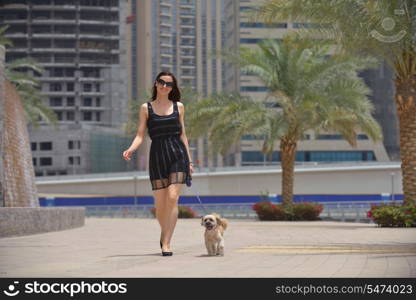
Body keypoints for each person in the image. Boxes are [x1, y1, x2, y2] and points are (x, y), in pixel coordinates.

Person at [122, 72, 194, 256]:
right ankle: (165, 234)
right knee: (160, 204)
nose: (164, 86)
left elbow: (183, 135)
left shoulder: (179, 107)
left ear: (173, 88)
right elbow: (140, 134)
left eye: (169, 84)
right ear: (156, 84)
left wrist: (189, 160)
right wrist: (131, 149)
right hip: (157, 156)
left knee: (172, 198)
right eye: (161, 82)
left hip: (177, 155)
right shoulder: (146, 108)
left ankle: (167, 243)